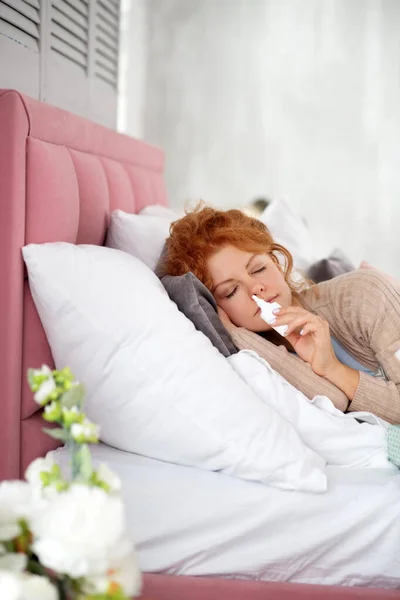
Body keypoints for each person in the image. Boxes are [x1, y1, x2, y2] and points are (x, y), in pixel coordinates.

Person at [163, 204, 400, 424]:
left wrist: (335, 369)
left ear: (276, 263)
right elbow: (333, 398)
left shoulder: (363, 294)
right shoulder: (256, 359)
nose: (256, 288)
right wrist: (236, 334)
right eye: (231, 291)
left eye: (259, 268)